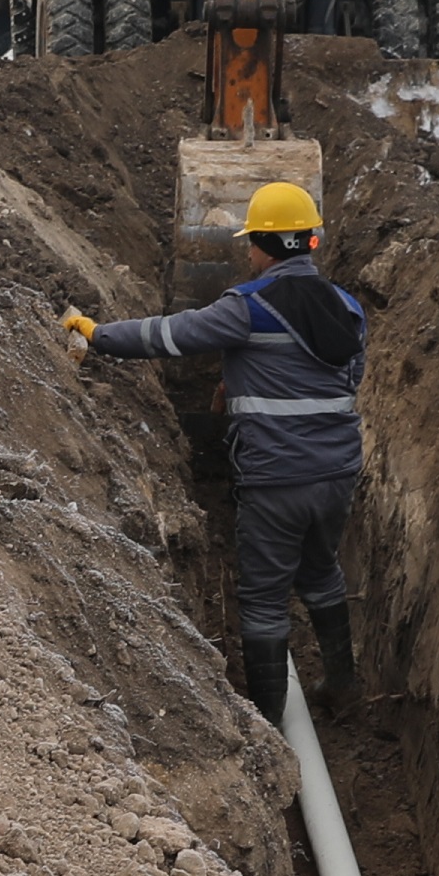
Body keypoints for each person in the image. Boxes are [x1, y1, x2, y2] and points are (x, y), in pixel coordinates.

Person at [59, 180, 364, 717]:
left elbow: (168, 336)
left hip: (275, 480)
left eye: (250, 242)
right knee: (321, 570)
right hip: (337, 473)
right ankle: (343, 688)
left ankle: (269, 725)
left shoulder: (247, 307)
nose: (247, 253)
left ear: (268, 246)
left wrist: (97, 332)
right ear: (309, 241)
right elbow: (338, 382)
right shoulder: (347, 308)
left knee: (265, 598)